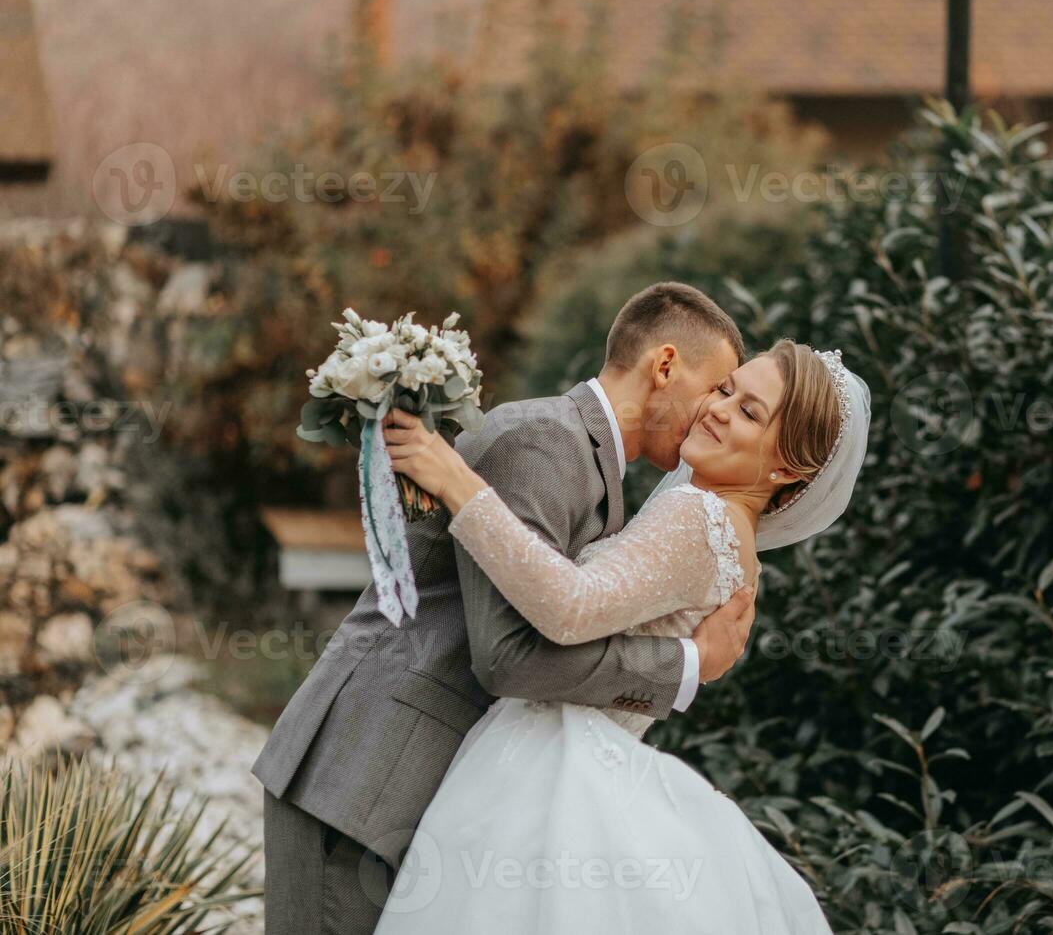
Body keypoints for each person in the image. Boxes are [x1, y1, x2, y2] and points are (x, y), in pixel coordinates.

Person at [254, 283, 759, 934]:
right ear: (664, 366)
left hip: (393, 781)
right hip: (362, 774)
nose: (714, 411)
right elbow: (510, 657)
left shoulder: (585, 461)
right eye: (714, 389)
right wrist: (687, 664)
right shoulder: (548, 443)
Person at [376, 338, 870, 932]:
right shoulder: (730, 535)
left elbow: (568, 607)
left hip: (545, 769)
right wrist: (690, 659)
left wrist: (456, 481)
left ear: (788, 467)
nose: (718, 408)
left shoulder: (700, 518)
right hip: (576, 756)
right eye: (727, 388)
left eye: (750, 412)